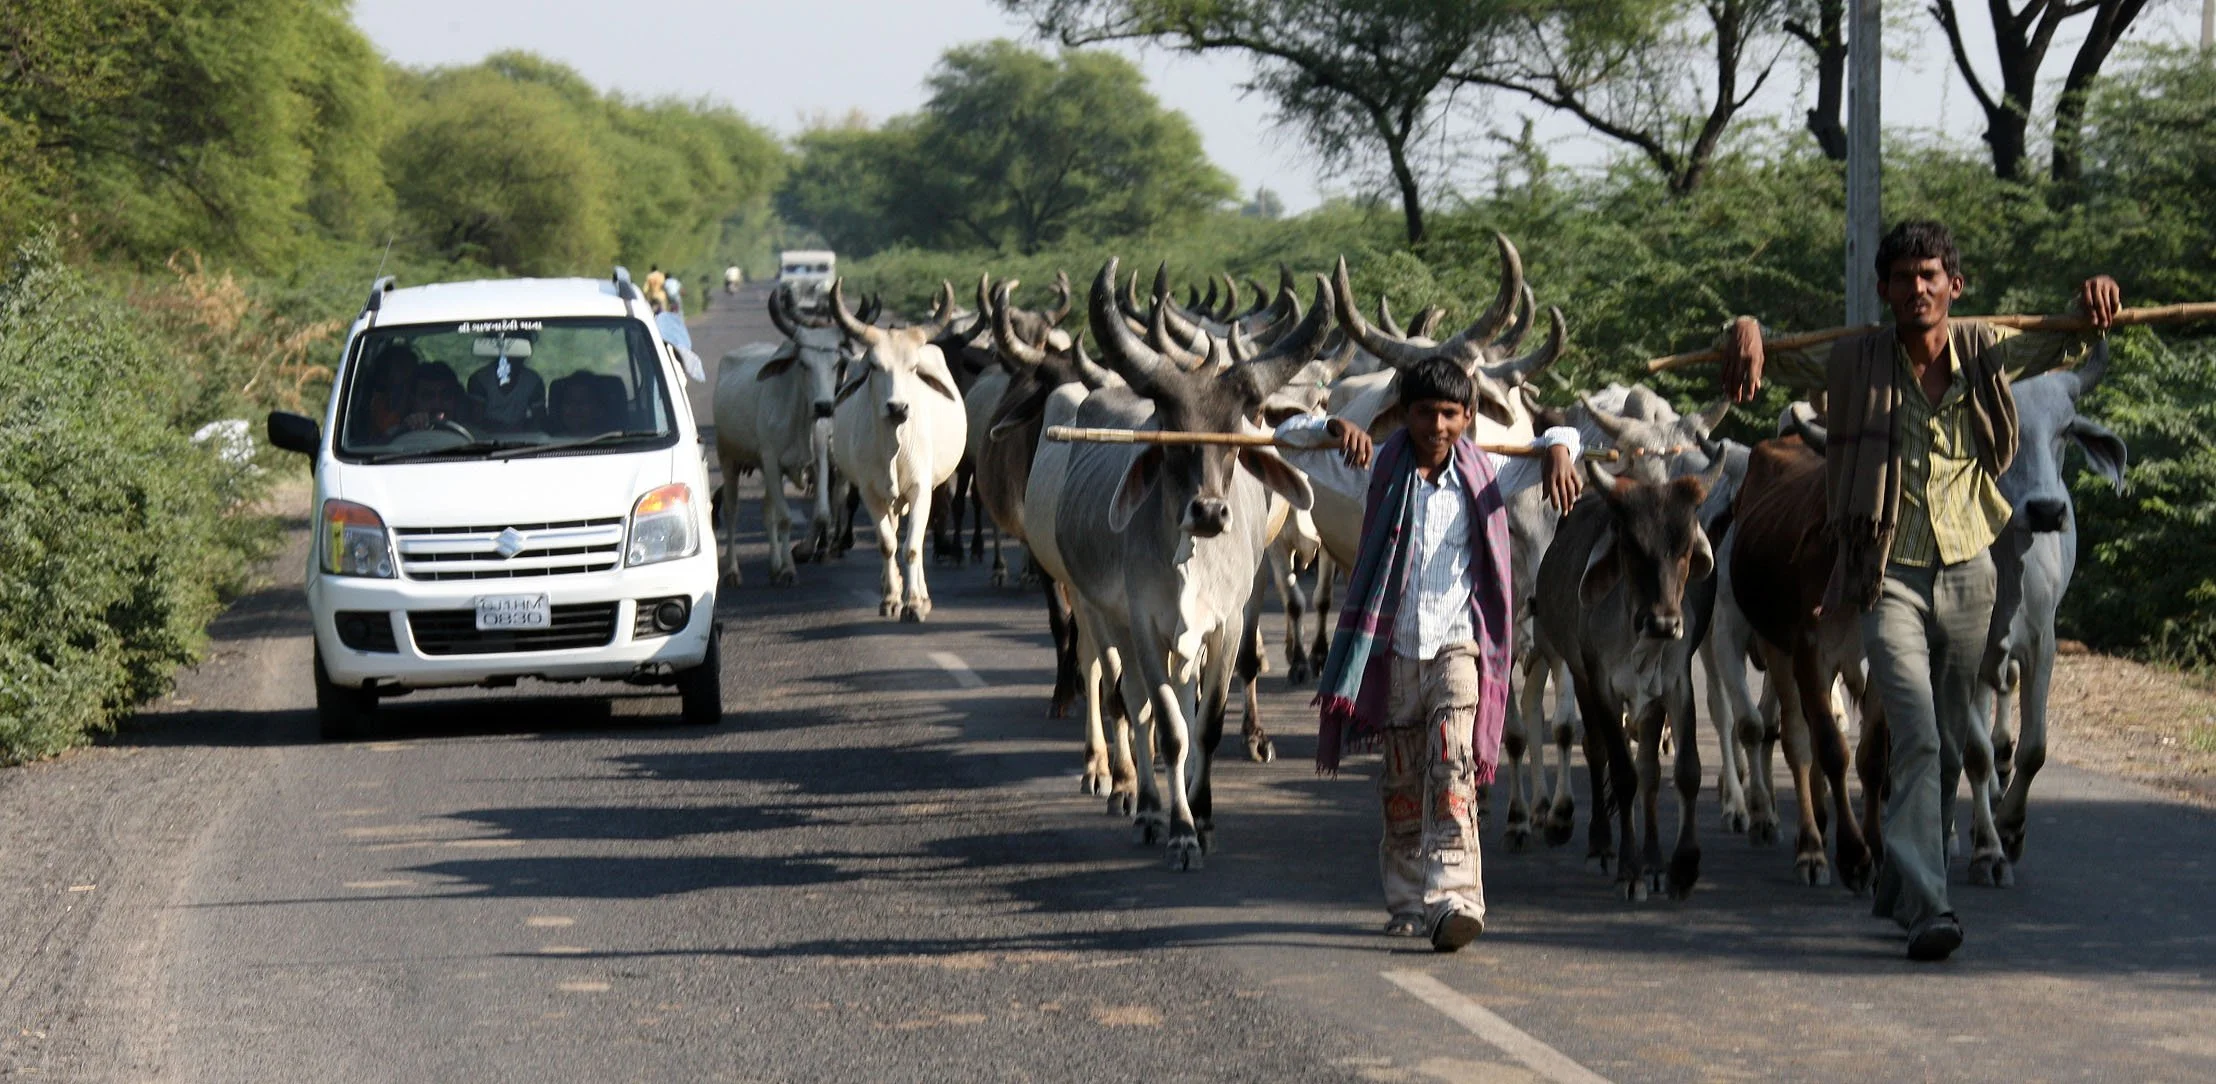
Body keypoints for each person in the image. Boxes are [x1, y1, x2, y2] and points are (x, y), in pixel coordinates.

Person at [1718, 219, 2119, 961]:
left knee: (1946, 741)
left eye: (1931, 275)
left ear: (1954, 288)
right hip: (1885, 574)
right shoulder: (1855, 360)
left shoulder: (1987, 347)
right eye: (1902, 278)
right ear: (1883, 291)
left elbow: (2064, 340)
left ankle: (1904, 885)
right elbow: (1776, 358)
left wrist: (2089, 296)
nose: (1918, 289)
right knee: (1919, 730)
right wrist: (1745, 327)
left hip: (1972, 569)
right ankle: (1930, 904)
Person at [1309, 357, 1549, 954]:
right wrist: (1333, 428)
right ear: (1402, 415)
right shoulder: (1376, 467)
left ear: (1469, 416)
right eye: (1424, 412)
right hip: (1395, 646)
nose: (1437, 425)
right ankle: (1407, 900)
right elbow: (1289, 438)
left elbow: (1556, 435)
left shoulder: (1488, 469)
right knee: (1400, 776)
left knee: (1452, 764)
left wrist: (1563, 451)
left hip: (1459, 642)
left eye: (1450, 413)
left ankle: (1457, 899)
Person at [465, 340, 548, 432]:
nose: (511, 356)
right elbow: (476, 420)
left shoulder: (533, 381)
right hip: (484, 440)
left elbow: (539, 421)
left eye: (517, 349)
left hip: (524, 440)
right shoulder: (480, 380)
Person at [358, 342, 419, 437]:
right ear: (386, 373)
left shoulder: (423, 396)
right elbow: (387, 431)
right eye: (401, 368)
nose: (407, 373)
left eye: (410, 368)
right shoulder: (378, 402)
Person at [389, 362, 464, 436]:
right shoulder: (394, 436)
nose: (437, 404)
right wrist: (406, 431)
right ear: (413, 401)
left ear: (455, 400)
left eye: (446, 396)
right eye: (428, 396)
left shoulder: (472, 436)